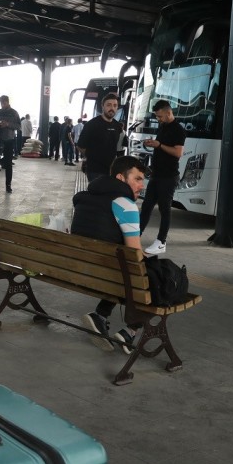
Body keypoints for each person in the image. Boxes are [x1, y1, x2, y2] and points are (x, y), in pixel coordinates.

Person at [70, 155, 147, 351]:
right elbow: (134, 253)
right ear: (121, 178)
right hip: (106, 275)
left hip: (75, 269)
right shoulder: (126, 205)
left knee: (120, 269)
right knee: (152, 280)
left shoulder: (85, 198)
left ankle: (101, 316)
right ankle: (129, 333)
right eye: (137, 179)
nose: (142, 185)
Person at [140, 99, 185, 256]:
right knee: (146, 206)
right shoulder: (163, 126)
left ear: (168, 112)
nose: (158, 119)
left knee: (165, 209)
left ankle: (161, 242)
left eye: (160, 116)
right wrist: (152, 143)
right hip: (157, 175)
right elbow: (160, 146)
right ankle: (135, 235)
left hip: (169, 177)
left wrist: (159, 145)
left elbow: (178, 153)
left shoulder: (178, 130)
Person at [77, 93, 124, 183]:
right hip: (95, 171)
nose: (112, 108)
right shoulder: (91, 124)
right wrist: (93, 157)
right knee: (98, 195)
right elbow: (80, 146)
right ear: (102, 106)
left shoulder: (117, 126)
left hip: (111, 170)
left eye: (115, 105)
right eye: (108, 105)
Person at [0, 95, 20, 193]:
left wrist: (8, 124)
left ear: (8, 102)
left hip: (9, 141)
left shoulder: (14, 113)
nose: (2, 105)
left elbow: (18, 126)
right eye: (1, 103)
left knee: (8, 164)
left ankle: (8, 186)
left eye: (4, 103)